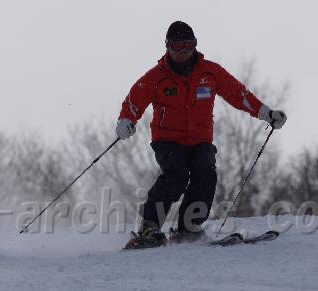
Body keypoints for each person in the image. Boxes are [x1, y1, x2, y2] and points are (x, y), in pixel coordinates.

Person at [117, 21, 287, 249]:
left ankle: (189, 228)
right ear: (167, 47)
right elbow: (134, 100)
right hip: (168, 140)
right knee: (176, 176)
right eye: (178, 46)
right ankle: (149, 227)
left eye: (189, 45)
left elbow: (238, 94)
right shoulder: (157, 77)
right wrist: (126, 121)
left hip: (200, 140)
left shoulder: (210, 72)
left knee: (205, 175)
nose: (184, 52)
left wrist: (266, 113)